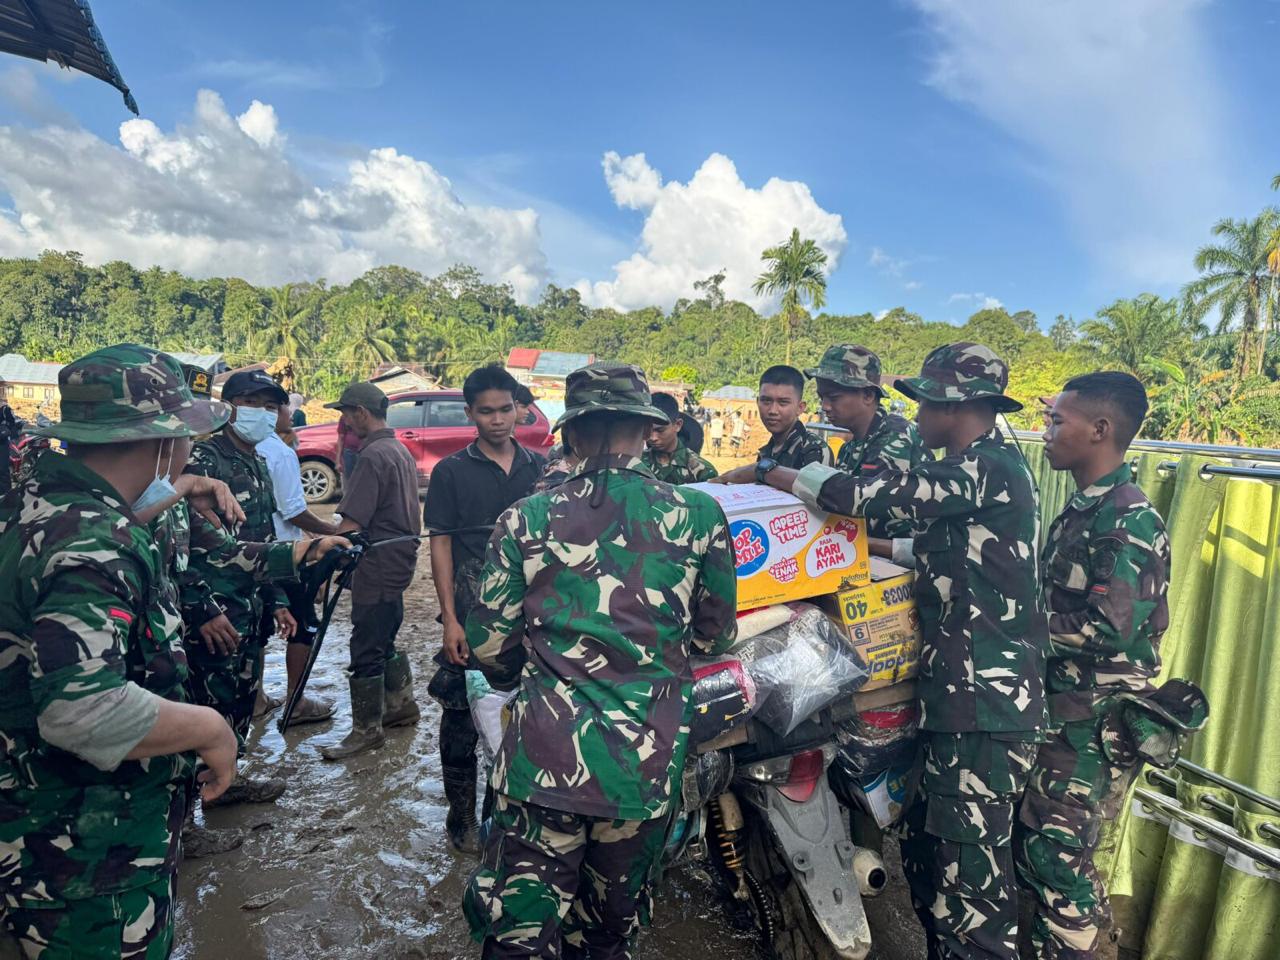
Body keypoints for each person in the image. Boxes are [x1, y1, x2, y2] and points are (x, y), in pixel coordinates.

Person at [718, 342, 1047, 960]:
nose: (915, 414)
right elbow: (933, 552)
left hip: (987, 702)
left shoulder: (985, 466)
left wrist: (766, 476)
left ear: (961, 405)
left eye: (924, 400)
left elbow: (856, 498)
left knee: (969, 881)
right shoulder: (977, 469)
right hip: (961, 693)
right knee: (936, 858)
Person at [462, 362, 737, 959]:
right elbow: (715, 641)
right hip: (642, 771)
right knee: (608, 935)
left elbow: (488, 647)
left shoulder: (527, 518)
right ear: (644, 430)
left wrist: (527, 677)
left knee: (520, 934)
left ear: (574, 436)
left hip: (542, 765)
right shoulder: (699, 516)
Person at [0, 345, 241, 959]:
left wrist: (181, 491)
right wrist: (210, 729)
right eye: (185, 434)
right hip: (81, 860)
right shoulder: (91, 539)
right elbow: (82, 710)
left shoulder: (42, 504)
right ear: (159, 440)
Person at [1015, 373, 1171, 959]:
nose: (1047, 431)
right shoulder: (1087, 509)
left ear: (1100, 430)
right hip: (1064, 712)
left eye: (1058, 421)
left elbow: (1112, 628)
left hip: (1092, 722)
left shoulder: (1127, 518)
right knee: (1044, 850)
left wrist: (1015, 629)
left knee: (1060, 858)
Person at [423, 364, 545, 852]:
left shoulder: (540, 468)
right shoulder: (452, 472)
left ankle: (506, 815)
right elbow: (441, 546)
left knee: (524, 715)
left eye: (506, 409)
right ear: (470, 413)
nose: (499, 420)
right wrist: (450, 619)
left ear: (519, 407)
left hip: (532, 617)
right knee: (458, 715)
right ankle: (461, 819)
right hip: (472, 617)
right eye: (487, 411)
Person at [181, 370, 297, 805]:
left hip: (250, 607)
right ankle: (191, 800)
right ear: (229, 406)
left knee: (243, 696)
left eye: (271, 406)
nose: (263, 413)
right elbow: (183, 546)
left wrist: (279, 601)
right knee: (207, 702)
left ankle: (228, 779)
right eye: (252, 403)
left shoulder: (260, 463)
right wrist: (202, 607)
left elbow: (262, 543)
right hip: (215, 610)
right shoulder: (204, 464)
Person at [318, 382, 424, 759]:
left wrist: (323, 564)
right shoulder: (397, 450)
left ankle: (367, 731)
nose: (345, 421)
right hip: (398, 560)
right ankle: (400, 706)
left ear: (360, 412)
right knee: (385, 632)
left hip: (377, 562)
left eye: (346, 413)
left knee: (365, 645)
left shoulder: (373, 455)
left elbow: (350, 523)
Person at [257, 403, 343, 724]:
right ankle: (297, 701)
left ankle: (257, 698)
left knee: (258, 629)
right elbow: (293, 512)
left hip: (246, 554)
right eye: (282, 406)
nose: (289, 412)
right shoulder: (280, 454)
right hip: (283, 556)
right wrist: (332, 532)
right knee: (303, 624)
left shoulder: (235, 449)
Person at [755, 364, 834, 469]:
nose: (773, 410)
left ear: (800, 408)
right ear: (757, 402)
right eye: (766, 401)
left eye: (783, 402)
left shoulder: (813, 450)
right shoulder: (768, 451)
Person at [643, 392, 718, 483]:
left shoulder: (701, 471)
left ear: (678, 425)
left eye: (660, 430)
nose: (653, 437)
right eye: (648, 430)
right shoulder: (637, 462)